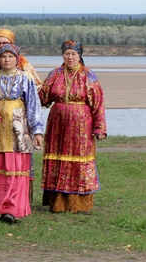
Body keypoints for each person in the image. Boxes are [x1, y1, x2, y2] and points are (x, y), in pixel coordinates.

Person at [40, 41, 107, 213]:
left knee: (79, 159)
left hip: (81, 125)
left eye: (73, 54)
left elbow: (98, 103)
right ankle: (57, 201)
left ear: (79, 56)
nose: (70, 57)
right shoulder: (55, 74)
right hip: (57, 124)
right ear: (63, 55)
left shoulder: (88, 75)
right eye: (67, 54)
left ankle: (78, 203)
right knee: (58, 157)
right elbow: (43, 97)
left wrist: (100, 128)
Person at [0, 44, 44, 224]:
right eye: (3, 56)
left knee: (15, 167)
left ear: (17, 58)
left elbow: (33, 106)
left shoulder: (25, 78)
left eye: (11, 56)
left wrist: (37, 131)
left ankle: (13, 209)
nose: (7, 60)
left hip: (18, 128)